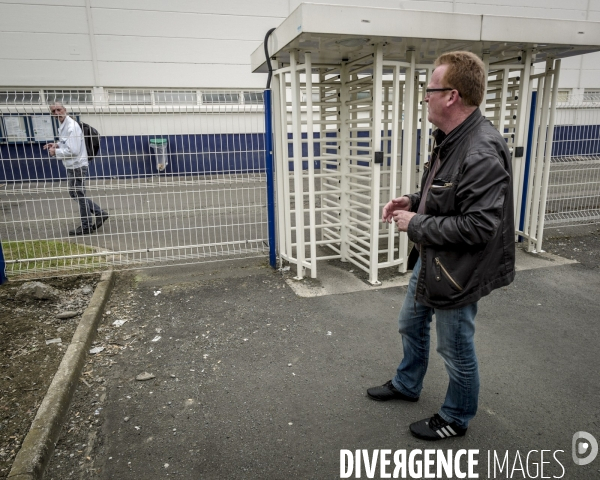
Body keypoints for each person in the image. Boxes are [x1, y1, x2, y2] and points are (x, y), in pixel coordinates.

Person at [367, 51, 515, 441]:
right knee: (410, 322)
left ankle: (456, 416)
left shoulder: (481, 149)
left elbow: (479, 226)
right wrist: (412, 201)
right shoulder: (450, 140)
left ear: (451, 96)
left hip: (460, 270)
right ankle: (407, 383)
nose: (425, 98)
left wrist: (416, 223)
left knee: (455, 347)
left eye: (428, 91)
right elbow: (451, 196)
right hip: (434, 258)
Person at [43, 101, 108, 236]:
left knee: (78, 194)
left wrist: (56, 152)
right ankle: (99, 213)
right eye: (53, 111)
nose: (56, 113)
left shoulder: (71, 126)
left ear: (64, 110)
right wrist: (56, 145)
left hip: (77, 165)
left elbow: (73, 150)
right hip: (73, 165)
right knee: (76, 194)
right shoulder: (64, 125)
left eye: (58, 110)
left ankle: (86, 226)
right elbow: (68, 143)